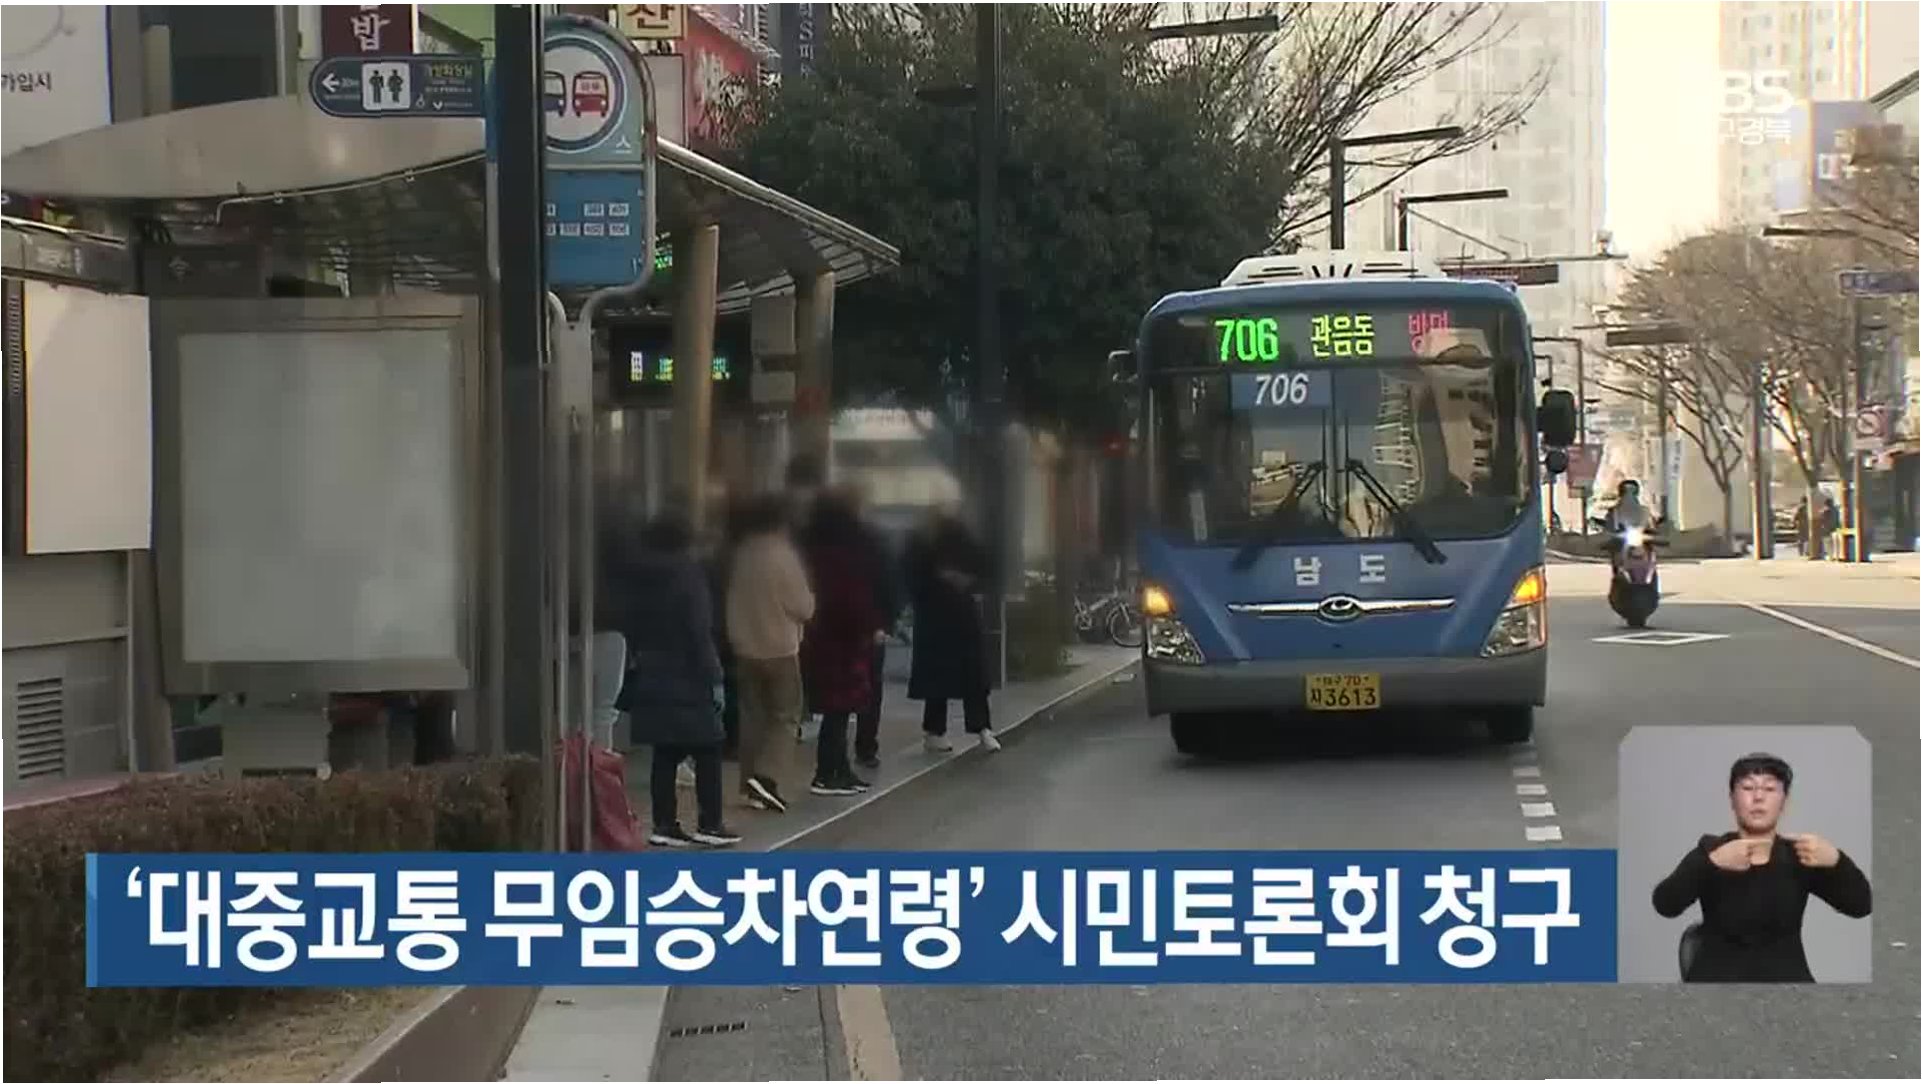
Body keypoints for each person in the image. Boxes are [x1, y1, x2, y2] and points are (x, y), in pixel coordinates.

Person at [1651, 752, 1871, 982]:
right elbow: (1665, 904)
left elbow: (1862, 905)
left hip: (1788, 983)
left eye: (1769, 789)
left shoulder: (1800, 855)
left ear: (1784, 802)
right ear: (1732, 799)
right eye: (1748, 788)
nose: (1758, 797)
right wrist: (1710, 863)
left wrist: (1837, 860)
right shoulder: (1712, 850)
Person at [608, 510, 739, 848]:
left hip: (652, 673)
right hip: (688, 675)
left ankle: (664, 823)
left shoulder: (637, 576)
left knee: (665, 753)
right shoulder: (688, 575)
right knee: (708, 748)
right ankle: (710, 822)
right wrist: (715, 677)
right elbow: (699, 631)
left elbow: (628, 622)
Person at [725, 494, 816, 814]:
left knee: (752, 716)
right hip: (780, 649)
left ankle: (749, 782)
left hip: (745, 648)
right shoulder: (783, 556)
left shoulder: (742, 555)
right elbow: (803, 607)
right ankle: (767, 777)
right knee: (785, 716)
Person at [799, 490, 885, 796]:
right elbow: (851, 599)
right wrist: (870, 624)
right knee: (839, 709)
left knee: (838, 710)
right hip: (843, 643)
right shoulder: (842, 556)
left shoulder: (811, 549)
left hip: (823, 639)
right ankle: (828, 773)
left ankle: (838, 768)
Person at [905, 505, 1000, 753]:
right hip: (936, 617)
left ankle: (980, 728)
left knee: (971, 675)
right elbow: (912, 578)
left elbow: (985, 567)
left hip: (958, 615)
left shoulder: (960, 537)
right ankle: (937, 731)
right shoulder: (923, 541)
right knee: (940, 679)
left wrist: (966, 581)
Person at [848, 484, 905, 771]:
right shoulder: (876, 541)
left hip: (836, 625)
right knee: (870, 686)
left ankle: (835, 752)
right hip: (869, 626)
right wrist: (886, 621)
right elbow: (890, 582)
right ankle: (865, 746)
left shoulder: (828, 538)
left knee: (838, 688)